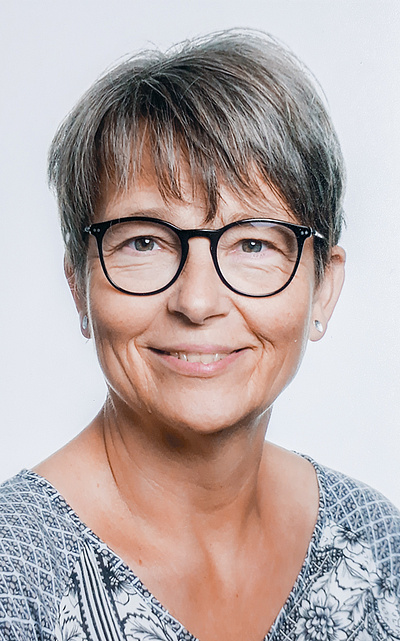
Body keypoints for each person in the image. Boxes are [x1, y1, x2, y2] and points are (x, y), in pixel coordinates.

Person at [0, 29, 399, 641]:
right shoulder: (16, 575)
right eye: (144, 241)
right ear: (78, 284)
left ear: (324, 287)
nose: (198, 301)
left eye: (253, 244)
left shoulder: (373, 544)